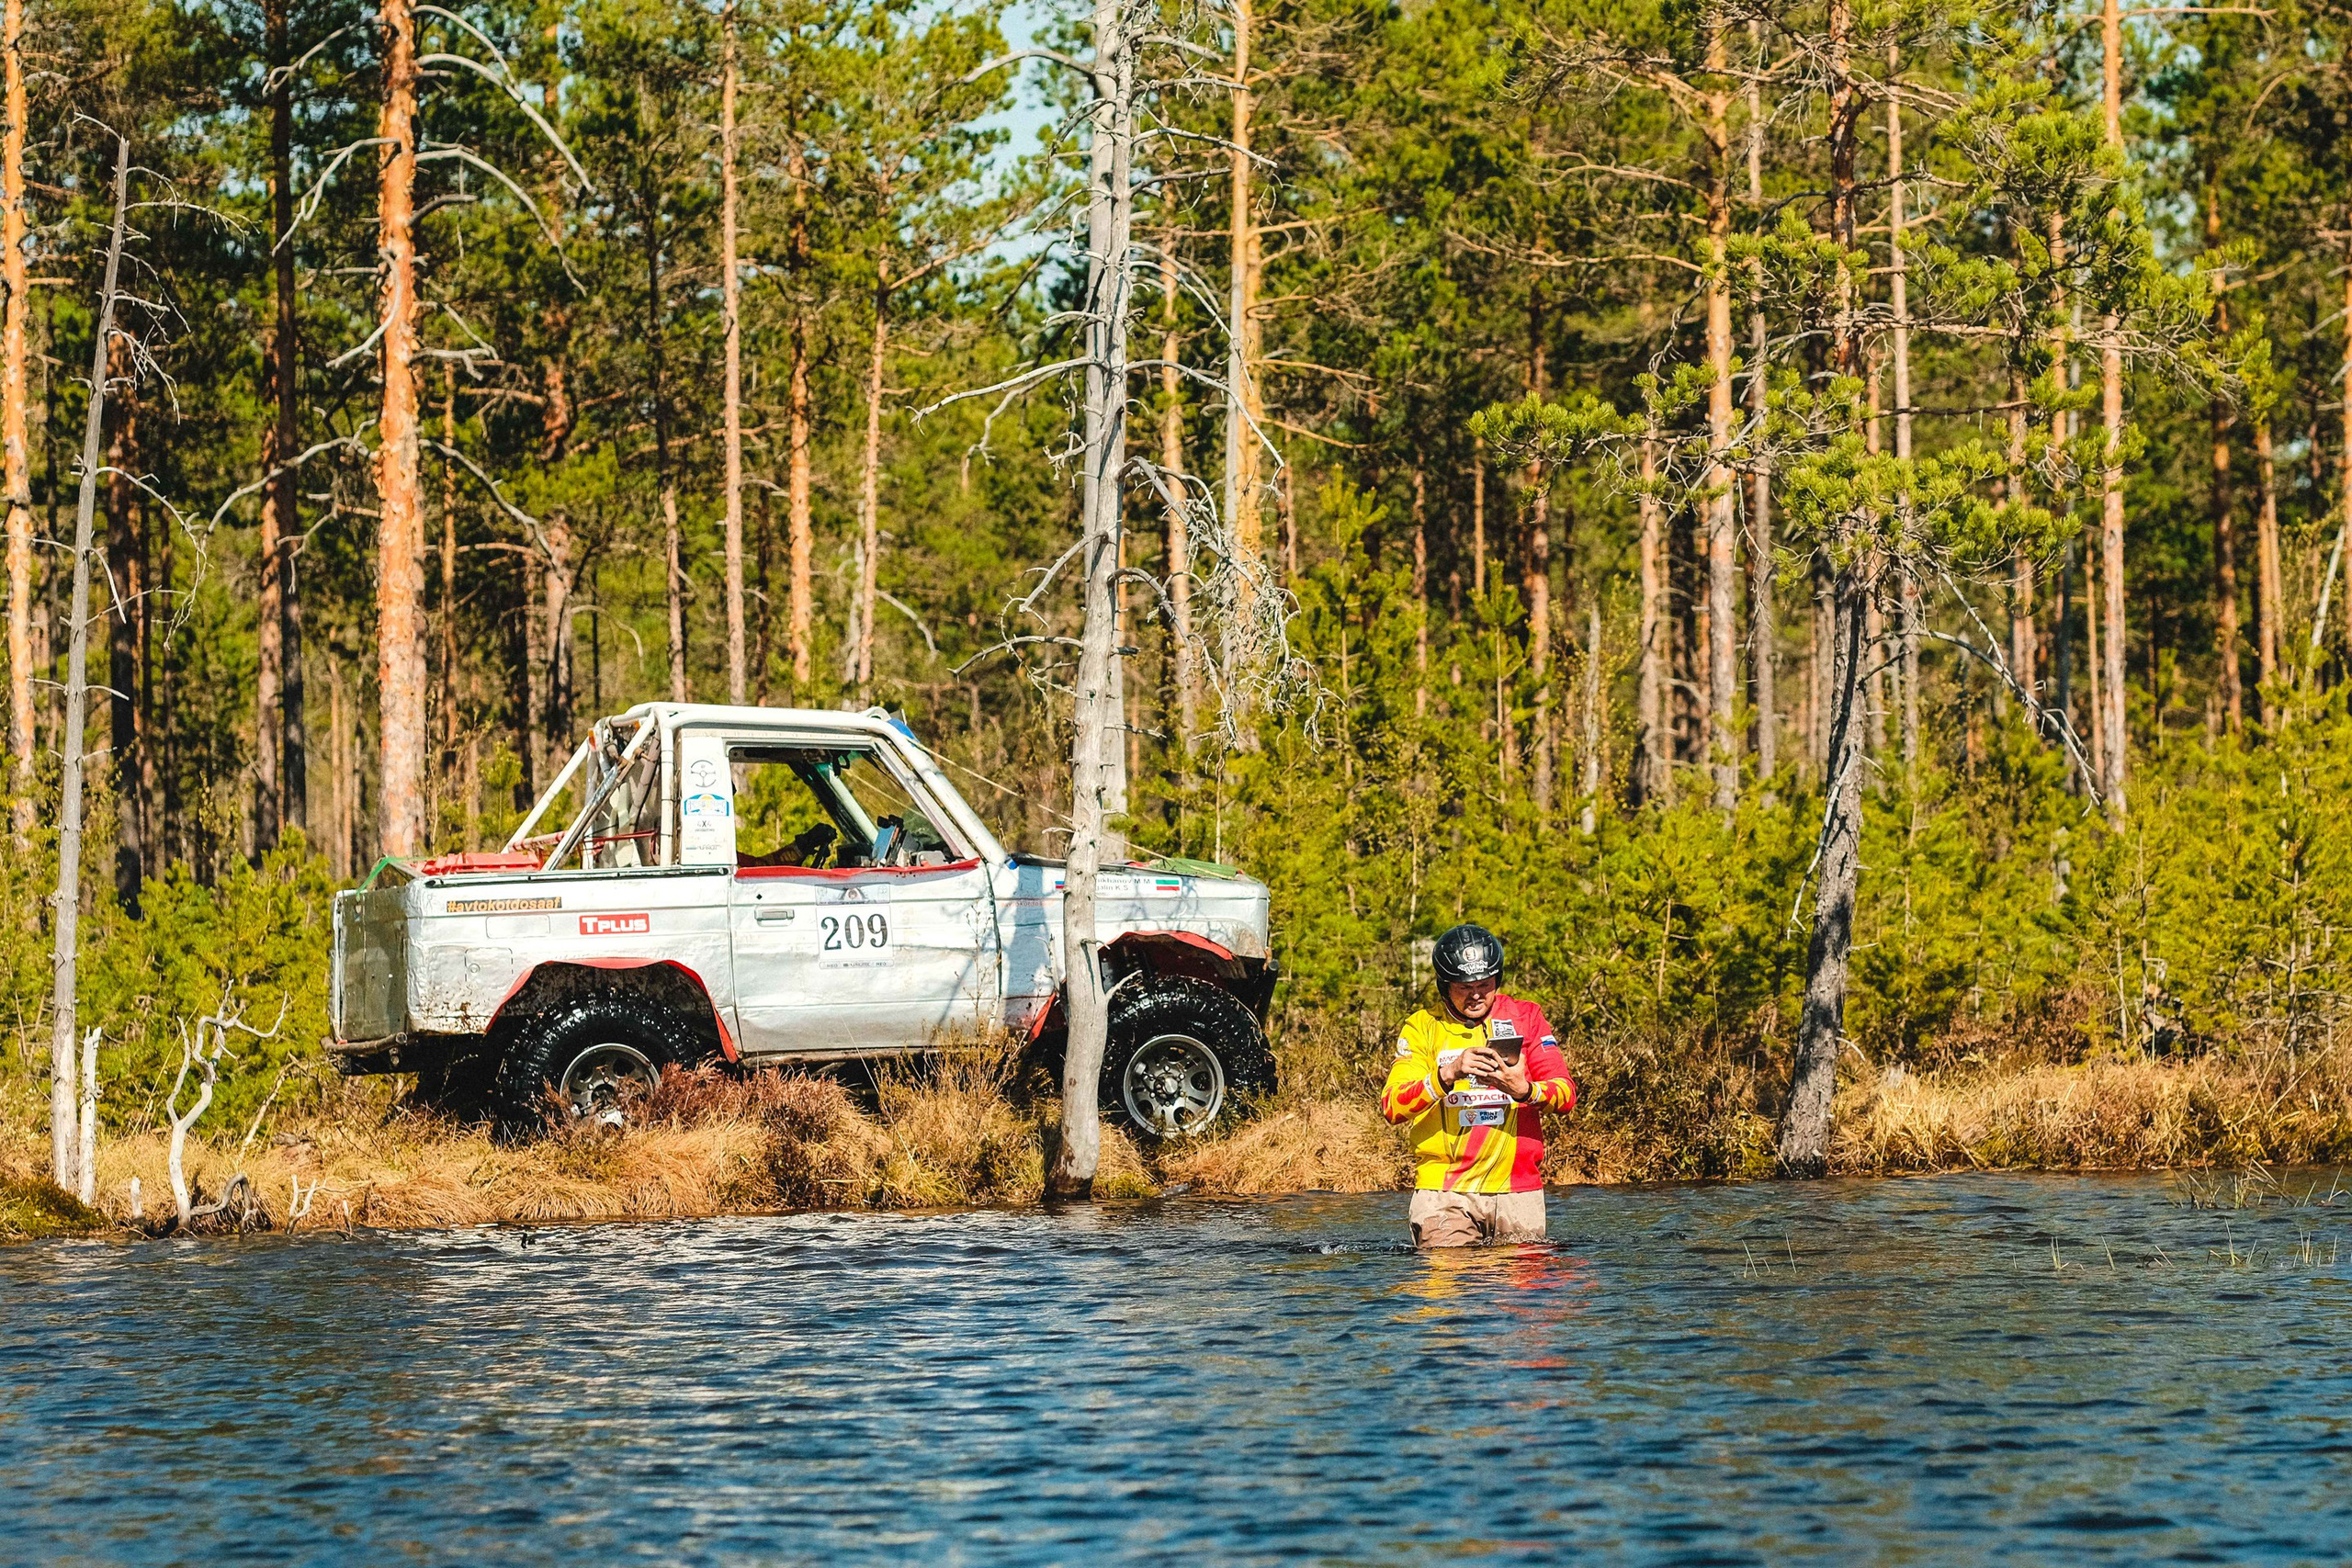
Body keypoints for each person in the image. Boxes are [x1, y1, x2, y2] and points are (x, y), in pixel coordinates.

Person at [1380, 923, 1577, 1247]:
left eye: (1484, 985)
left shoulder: (1526, 1016)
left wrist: (1526, 1090)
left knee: (1519, 1298)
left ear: (1497, 980)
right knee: (1453, 1291)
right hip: (1444, 1193)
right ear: (1444, 985)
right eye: (1463, 987)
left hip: (1518, 1189)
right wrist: (1447, 1075)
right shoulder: (1422, 1026)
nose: (1475, 995)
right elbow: (1392, 1106)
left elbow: (1566, 1094)